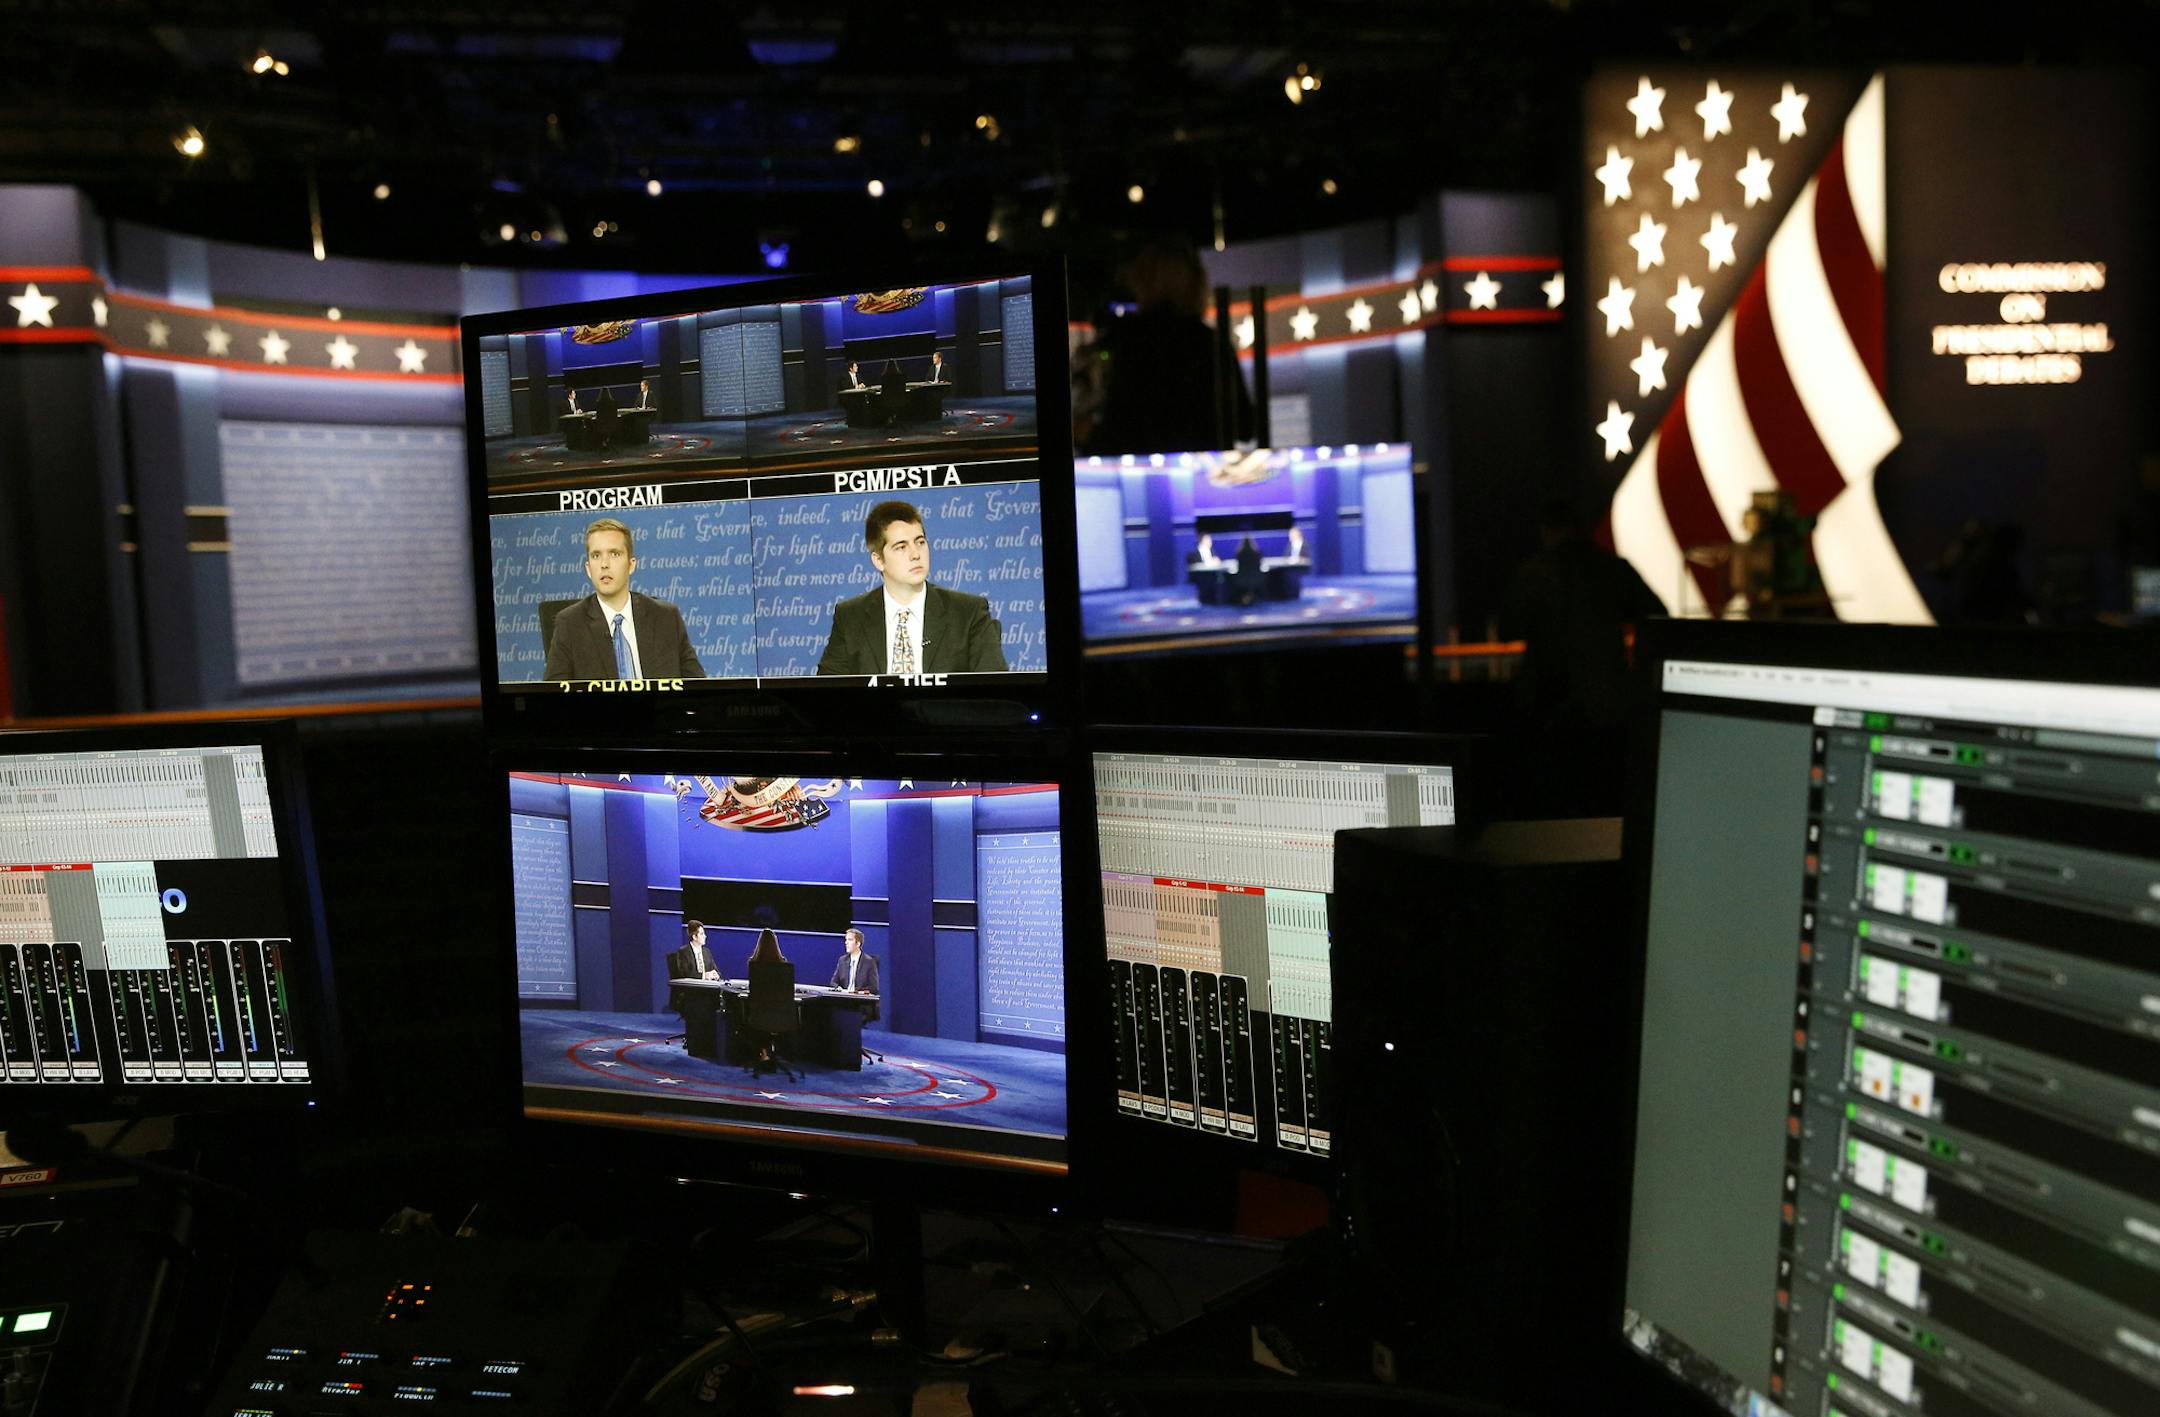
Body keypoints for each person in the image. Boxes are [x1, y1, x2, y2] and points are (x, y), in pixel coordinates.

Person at [1087, 235, 1253, 454]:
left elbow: (1120, 427)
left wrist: (1087, 434)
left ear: (1146, 280)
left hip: (1146, 474)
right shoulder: (1210, 341)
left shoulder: (1135, 343)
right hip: (1204, 474)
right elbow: (1243, 426)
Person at [815, 500, 1009, 675]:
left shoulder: (968, 612)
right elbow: (829, 692)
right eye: (901, 547)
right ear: (878, 560)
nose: (915, 554)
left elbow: (994, 693)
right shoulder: (850, 617)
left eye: (920, 542)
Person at [543, 517, 707, 681]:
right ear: (588, 569)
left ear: (631, 565)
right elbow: (553, 698)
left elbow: (699, 689)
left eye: (614, 554)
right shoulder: (570, 624)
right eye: (596, 555)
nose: (604, 564)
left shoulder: (666, 617)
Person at [830, 928, 880, 994]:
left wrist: (855, 991)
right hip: (844, 998)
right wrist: (838, 988)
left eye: (850, 940)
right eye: (846, 940)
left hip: (861, 1000)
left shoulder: (869, 962)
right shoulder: (842, 960)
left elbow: (874, 988)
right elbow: (833, 982)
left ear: (858, 944)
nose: (846, 943)